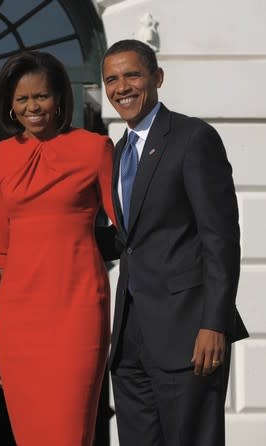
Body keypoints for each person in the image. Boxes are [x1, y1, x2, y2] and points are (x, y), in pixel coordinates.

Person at [101, 39, 248, 446]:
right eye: (111, 79)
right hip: (129, 337)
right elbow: (129, 239)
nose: (121, 87)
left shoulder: (193, 138)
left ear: (157, 78)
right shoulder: (118, 152)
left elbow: (220, 238)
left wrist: (214, 323)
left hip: (188, 332)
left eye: (132, 74)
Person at [0, 51, 117, 445]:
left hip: (78, 307)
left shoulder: (95, 149)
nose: (32, 107)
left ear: (59, 97)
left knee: (71, 430)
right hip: (19, 315)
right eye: (21, 99)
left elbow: (127, 227)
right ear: (10, 104)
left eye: (40, 96)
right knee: (30, 432)